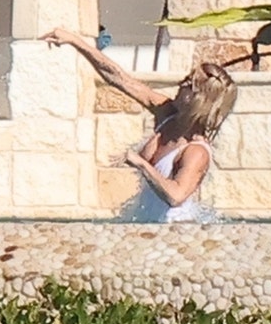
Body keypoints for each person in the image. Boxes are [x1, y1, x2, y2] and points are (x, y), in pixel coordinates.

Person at [39, 27, 238, 222]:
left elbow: (176, 197)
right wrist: (76, 42)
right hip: (147, 221)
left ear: (199, 100)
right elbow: (119, 79)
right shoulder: (167, 113)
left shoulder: (196, 151)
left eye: (189, 84)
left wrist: (141, 163)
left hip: (174, 230)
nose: (181, 84)